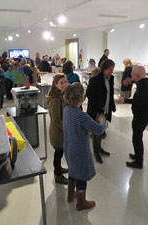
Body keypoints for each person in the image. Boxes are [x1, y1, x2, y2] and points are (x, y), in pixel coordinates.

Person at [63, 82, 106, 211]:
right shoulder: (82, 115)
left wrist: (86, 130)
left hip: (69, 147)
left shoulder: (66, 110)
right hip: (80, 150)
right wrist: (102, 121)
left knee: (72, 171)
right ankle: (81, 202)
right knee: (81, 176)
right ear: (81, 98)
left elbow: (75, 127)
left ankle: (70, 195)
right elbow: (98, 130)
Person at [116, 66, 148, 169]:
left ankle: (138, 162)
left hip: (141, 116)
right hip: (143, 115)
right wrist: (131, 81)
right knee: (137, 137)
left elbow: (140, 101)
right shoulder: (146, 83)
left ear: (137, 75)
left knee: (137, 138)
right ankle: (137, 156)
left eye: (132, 74)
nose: (130, 75)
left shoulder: (143, 86)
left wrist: (125, 101)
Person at [86, 59, 116, 163]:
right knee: (96, 132)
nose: (112, 71)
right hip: (97, 110)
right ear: (105, 69)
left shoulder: (110, 79)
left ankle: (99, 148)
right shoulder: (95, 80)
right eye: (110, 69)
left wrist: (112, 106)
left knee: (102, 130)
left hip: (105, 109)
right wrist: (99, 105)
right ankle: (96, 152)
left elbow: (110, 94)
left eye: (113, 69)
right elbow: (89, 94)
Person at [45, 74, 69, 184]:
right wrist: (66, 129)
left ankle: (59, 169)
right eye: (61, 83)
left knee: (60, 152)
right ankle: (57, 174)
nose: (64, 84)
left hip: (61, 130)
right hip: (58, 132)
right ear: (56, 84)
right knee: (58, 153)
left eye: (65, 82)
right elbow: (56, 119)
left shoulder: (61, 95)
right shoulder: (55, 99)